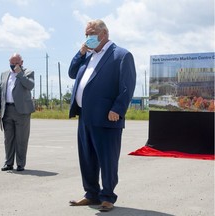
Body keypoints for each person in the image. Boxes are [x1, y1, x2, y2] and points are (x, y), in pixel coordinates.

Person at [68, 19, 136, 212]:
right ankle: (91, 194)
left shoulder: (121, 55)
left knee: (107, 159)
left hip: (107, 117)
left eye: (91, 34)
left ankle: (107, 197)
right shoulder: (88, 56)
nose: (87, 38)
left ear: (104, 34)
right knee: (87, 158)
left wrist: (118, 109)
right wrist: (81, 52)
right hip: (85, 117)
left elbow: (127, 86)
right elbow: (72, 73)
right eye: (85, 35)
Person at [0, 53, 35, 172]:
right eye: (11, 63)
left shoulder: (28, 72)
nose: (13, 66)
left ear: (21, 63)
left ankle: (21, 164)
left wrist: (19, 74)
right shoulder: (4, 74)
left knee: (21, 139)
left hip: (22, 111)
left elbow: (30, 85)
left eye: (16, 63)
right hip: (7, 110)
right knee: (8, 139)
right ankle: (8, 163)